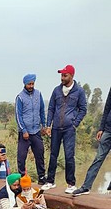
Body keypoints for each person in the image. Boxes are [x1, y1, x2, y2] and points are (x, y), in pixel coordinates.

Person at [42, 64, 88, 194]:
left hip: (69, 129)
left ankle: (71, 184)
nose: (62, 77)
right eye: (61, 75)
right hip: (56, 127)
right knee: (53, 154)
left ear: (71, 76)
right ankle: (50, 181)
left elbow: (83, 109)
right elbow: (51, 108)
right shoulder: (56, 90)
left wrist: (75, 123)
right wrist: (48, 125)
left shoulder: (79, 91)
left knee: (69, 156)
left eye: (65, 75)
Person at [74, 87, 111, 196]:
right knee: (98, 158)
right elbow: (107, 108)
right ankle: (86, 187)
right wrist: (101, 128)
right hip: (108, 130)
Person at [15, 74, 47, 185]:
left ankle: (42, 177)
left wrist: (44, 125)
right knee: (21, 156)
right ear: (25, 84)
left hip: (36, 131)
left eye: (33, 83)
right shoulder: (20, 97)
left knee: (40, 153)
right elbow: (18, 115)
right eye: (29, 84)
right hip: (25, 133)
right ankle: (22, 177)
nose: (31, 86)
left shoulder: (38, 94)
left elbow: (42, 110)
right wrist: (23, 130)